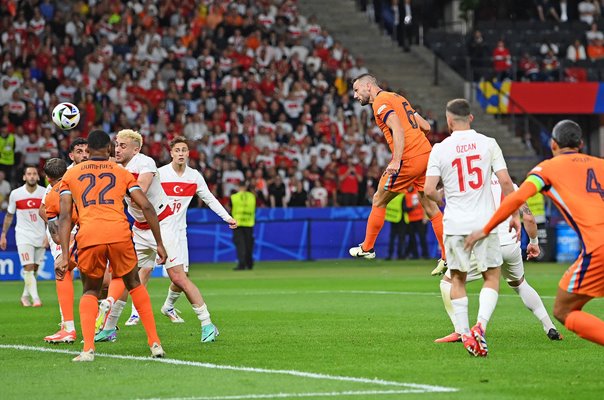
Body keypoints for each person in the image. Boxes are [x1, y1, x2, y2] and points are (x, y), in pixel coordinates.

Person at [465, 120, 604, 346]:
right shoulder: (600, 164)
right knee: (521, 284)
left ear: (553, 144)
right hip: (586, 248)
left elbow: (517, 199)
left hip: (598, 248)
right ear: (581, 143)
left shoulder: (547, 168)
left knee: (564, 309)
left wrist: (486, 229)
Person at [96, 129, 221, 344]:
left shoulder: (145, 163)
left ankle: (207, 323)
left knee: (178, 277)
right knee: (126, 277)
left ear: (136, 149)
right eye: (116, 144)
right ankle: (109, 328)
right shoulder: (116, 167)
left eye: (122, 146)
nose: (117, 149)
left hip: (163, 224)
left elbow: (139, 195)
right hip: (139, 228)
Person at [56, 129, 165, 362]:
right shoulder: (120, 171)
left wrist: (65, 255)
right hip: (119, 233)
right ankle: (154, 342)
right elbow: (146, 206)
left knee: (90, 290)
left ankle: (88, 349)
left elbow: (64, 217)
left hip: (89, 236)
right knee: (134, 284)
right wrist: (159, 243)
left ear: (89, 150)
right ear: (108, 149)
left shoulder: (71, 174)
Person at [423, 98, 520, 357]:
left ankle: (466, 334)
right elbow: (506, 183)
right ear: (471, 118)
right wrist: (515, 215)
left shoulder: (440, 149)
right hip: (485, 224)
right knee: (491, 276)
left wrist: (445, 198)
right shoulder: (488, 144)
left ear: (449, 121)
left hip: (455, 223)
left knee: (457, 279)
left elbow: (429, 190)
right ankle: (481, 326)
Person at [435, 174, 562, 343]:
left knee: (448, 282)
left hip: (487, 244)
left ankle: (462, 331)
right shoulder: (512, 187)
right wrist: (534, 243)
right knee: (520, 284)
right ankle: (549, 326)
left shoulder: (472, 186)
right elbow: (529, 218)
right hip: (511, 244)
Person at [348, 74, 446, 274]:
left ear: (368, 86)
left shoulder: (380, 103)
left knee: (378, 199)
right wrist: (416, 145)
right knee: (430, 206)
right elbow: (426, 126)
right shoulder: (399, 98)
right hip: (426, 154)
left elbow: (398, 129)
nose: (355, 95)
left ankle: (368, 247)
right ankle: (447, 257)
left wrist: (397, 159)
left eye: (357, 90)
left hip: (408, 160)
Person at [158, 137, 237, 322]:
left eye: (183, 150)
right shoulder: (160, 174)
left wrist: (227, 217)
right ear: (171, 153)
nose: (180, 153)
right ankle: (131, 314)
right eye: (177, 150)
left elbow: (209, 199)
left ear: (188, 153)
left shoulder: (194, 176)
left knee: (182, 276)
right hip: (158, 230)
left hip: (179, 232)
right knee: (143, 271)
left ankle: (168, 306)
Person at [40, 139, 90, 343]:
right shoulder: (65, 175)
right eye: (80, 151)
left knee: (97, 278)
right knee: (67, 270)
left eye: (87, 151)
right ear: (71, 156)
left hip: (89, 229)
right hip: (80, 230)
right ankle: (70, 324)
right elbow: (44, 209)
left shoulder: (91, 171)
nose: (84, 155)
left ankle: (76, 325)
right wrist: (65, 233)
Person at [0, 166, 46, 307]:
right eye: (29, 174)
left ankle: (25, 296)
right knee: (28, 267)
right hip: (23, 234)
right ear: (24, 177)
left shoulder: (44, 193)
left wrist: (48, 235)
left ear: (38, 177)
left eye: (34, 174)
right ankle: (36, 299)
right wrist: (3, 235)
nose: (31, 176)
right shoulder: (16, 194)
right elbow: (9, 215)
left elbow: (50, 216)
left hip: (40, 235)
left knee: (35, 269)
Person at [231, 181, 256, 270]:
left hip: (238, 224)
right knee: (249, 245)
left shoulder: (234, 197)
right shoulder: (252, 196)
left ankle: (241, 264)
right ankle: (249, 264)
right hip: (249, 223)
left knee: (240, 245)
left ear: (238, 187)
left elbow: (230, 208)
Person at [403, 184, 428, 259]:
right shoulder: (405, 194)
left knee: (422, 238)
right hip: (410, 219)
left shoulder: (418, 192)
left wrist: (425, 217)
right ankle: (415, 255)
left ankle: (425, 254)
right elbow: (404, 207)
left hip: (420, 219)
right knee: (412, 239)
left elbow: (425, 204)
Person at [385, 193, 406, 260]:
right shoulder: (402, 196)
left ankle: (390, 254)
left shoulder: (391, 196)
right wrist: (412, 208)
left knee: (392, 238)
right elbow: (404, 208)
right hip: (400, 219)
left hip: (392, 218)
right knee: (401, 238)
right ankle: (400, 255)